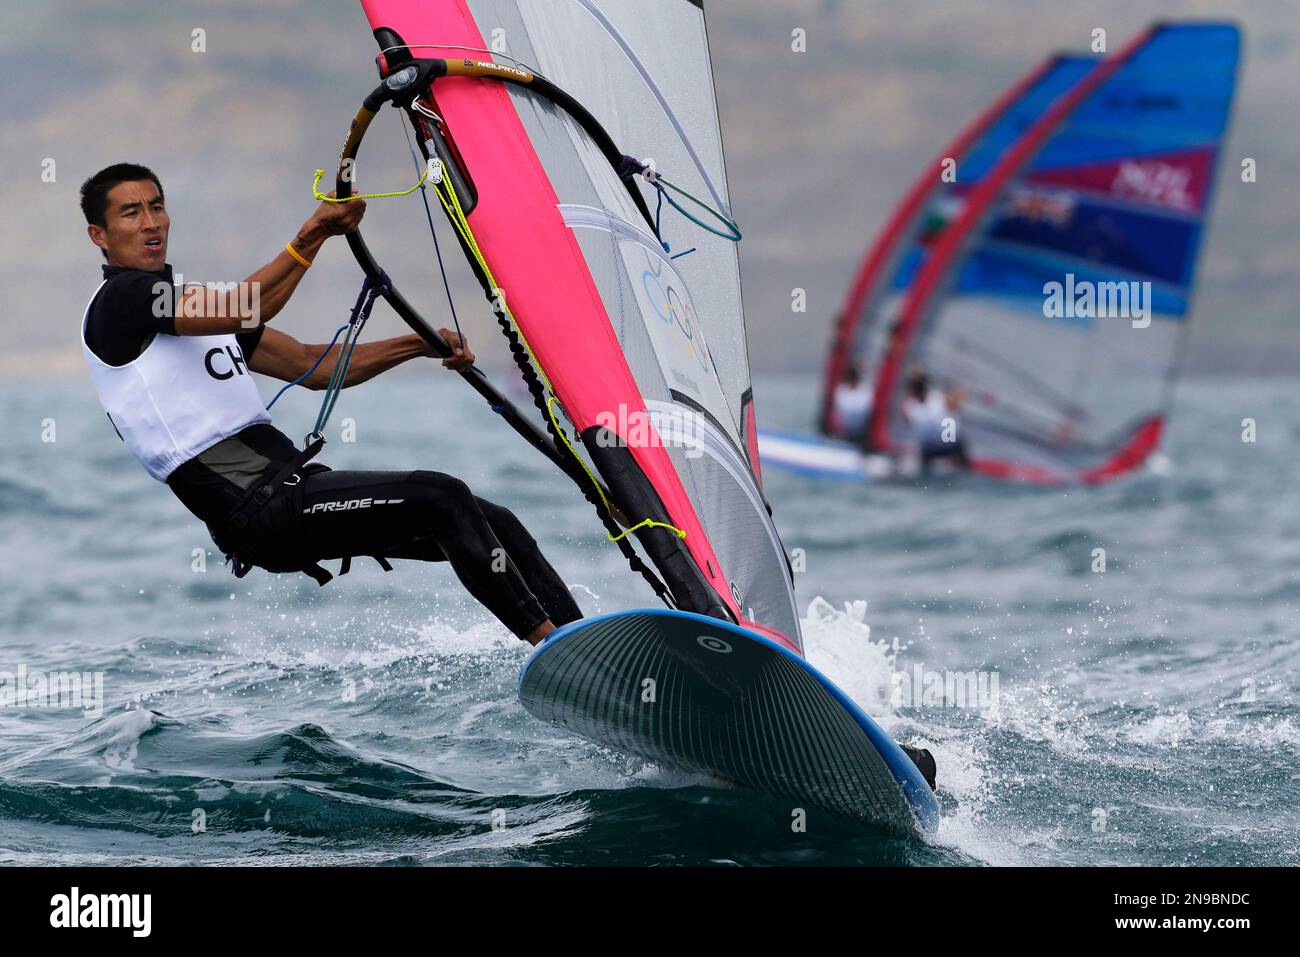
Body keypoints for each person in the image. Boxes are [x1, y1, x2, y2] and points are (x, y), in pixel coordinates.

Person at [78, 163, 581, 646]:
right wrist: (312, 233)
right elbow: (250, 303)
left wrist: (417, 344)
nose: (150, 222)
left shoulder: (190, 310)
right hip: (260, 513)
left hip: (300, 492)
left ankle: (584, 644)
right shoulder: (122, 302)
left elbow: (312, 365)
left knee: (495, 522)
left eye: (156, 206)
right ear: (98, 235)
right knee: (441, 495)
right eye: (130, 212)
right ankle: (549, 645)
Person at [901, 368, 971, 474]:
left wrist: (964, 388)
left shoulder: (937, 397)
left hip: (951, 444)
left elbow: (956, 402)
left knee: (964, 466)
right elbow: (906, 420)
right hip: (930, 449)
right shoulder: (910, 405)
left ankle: (966, 469)